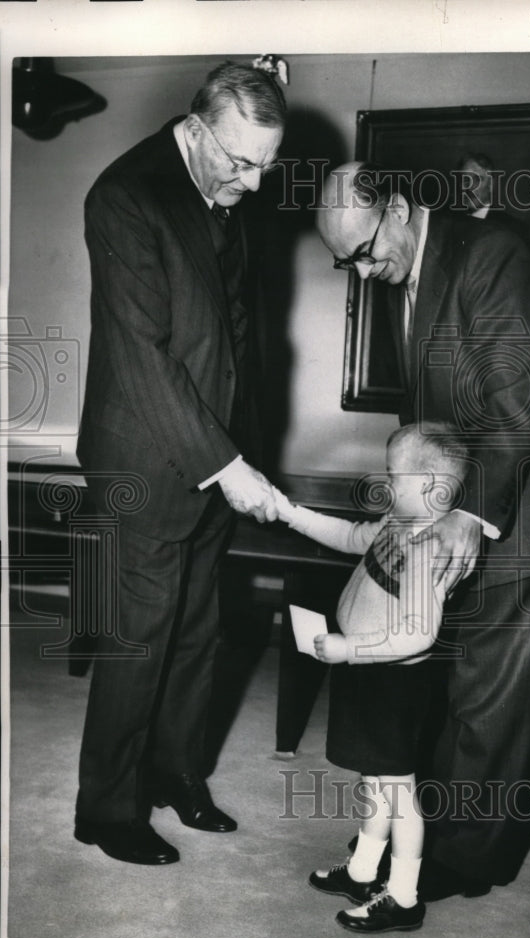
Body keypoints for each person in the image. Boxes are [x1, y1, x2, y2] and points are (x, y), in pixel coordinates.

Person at [315, 161, 530, 900]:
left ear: (396, 208)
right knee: (451, 674)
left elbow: (520, 398)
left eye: (364, 250)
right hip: (471, 491)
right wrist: (417, 504)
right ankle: (415, 837)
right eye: (345, 261)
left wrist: (466, 512)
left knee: (492, 689)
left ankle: (464, 859)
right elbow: (435, 415)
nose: (361, 270)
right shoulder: (411, 268)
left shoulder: (490, 254)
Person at [74, 59, 287, 865]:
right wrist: (226, 466)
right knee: (141, 635)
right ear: (197, 131)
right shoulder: (126, 196)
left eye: (267, 164)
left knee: (199, 629)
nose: (257, 184)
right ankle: (107, 808)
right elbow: (144, 356)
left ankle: (176, 774)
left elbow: (232, 337)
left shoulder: (223, 187)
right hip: (146, 455)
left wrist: (243, 450)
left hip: (215, 450)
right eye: (241, 162)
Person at [273, 422, 470, 933]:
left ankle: (403, 897)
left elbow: (419, 635)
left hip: (392, 683)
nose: (385, 483)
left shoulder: (430, 548)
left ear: (430, 483)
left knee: (398, 791)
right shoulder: (399, 520)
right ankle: (363, 870)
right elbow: (349, 536)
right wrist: (290, 513)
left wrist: (350, 648)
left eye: (394, 474)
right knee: (374, 779)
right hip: (364, 671)